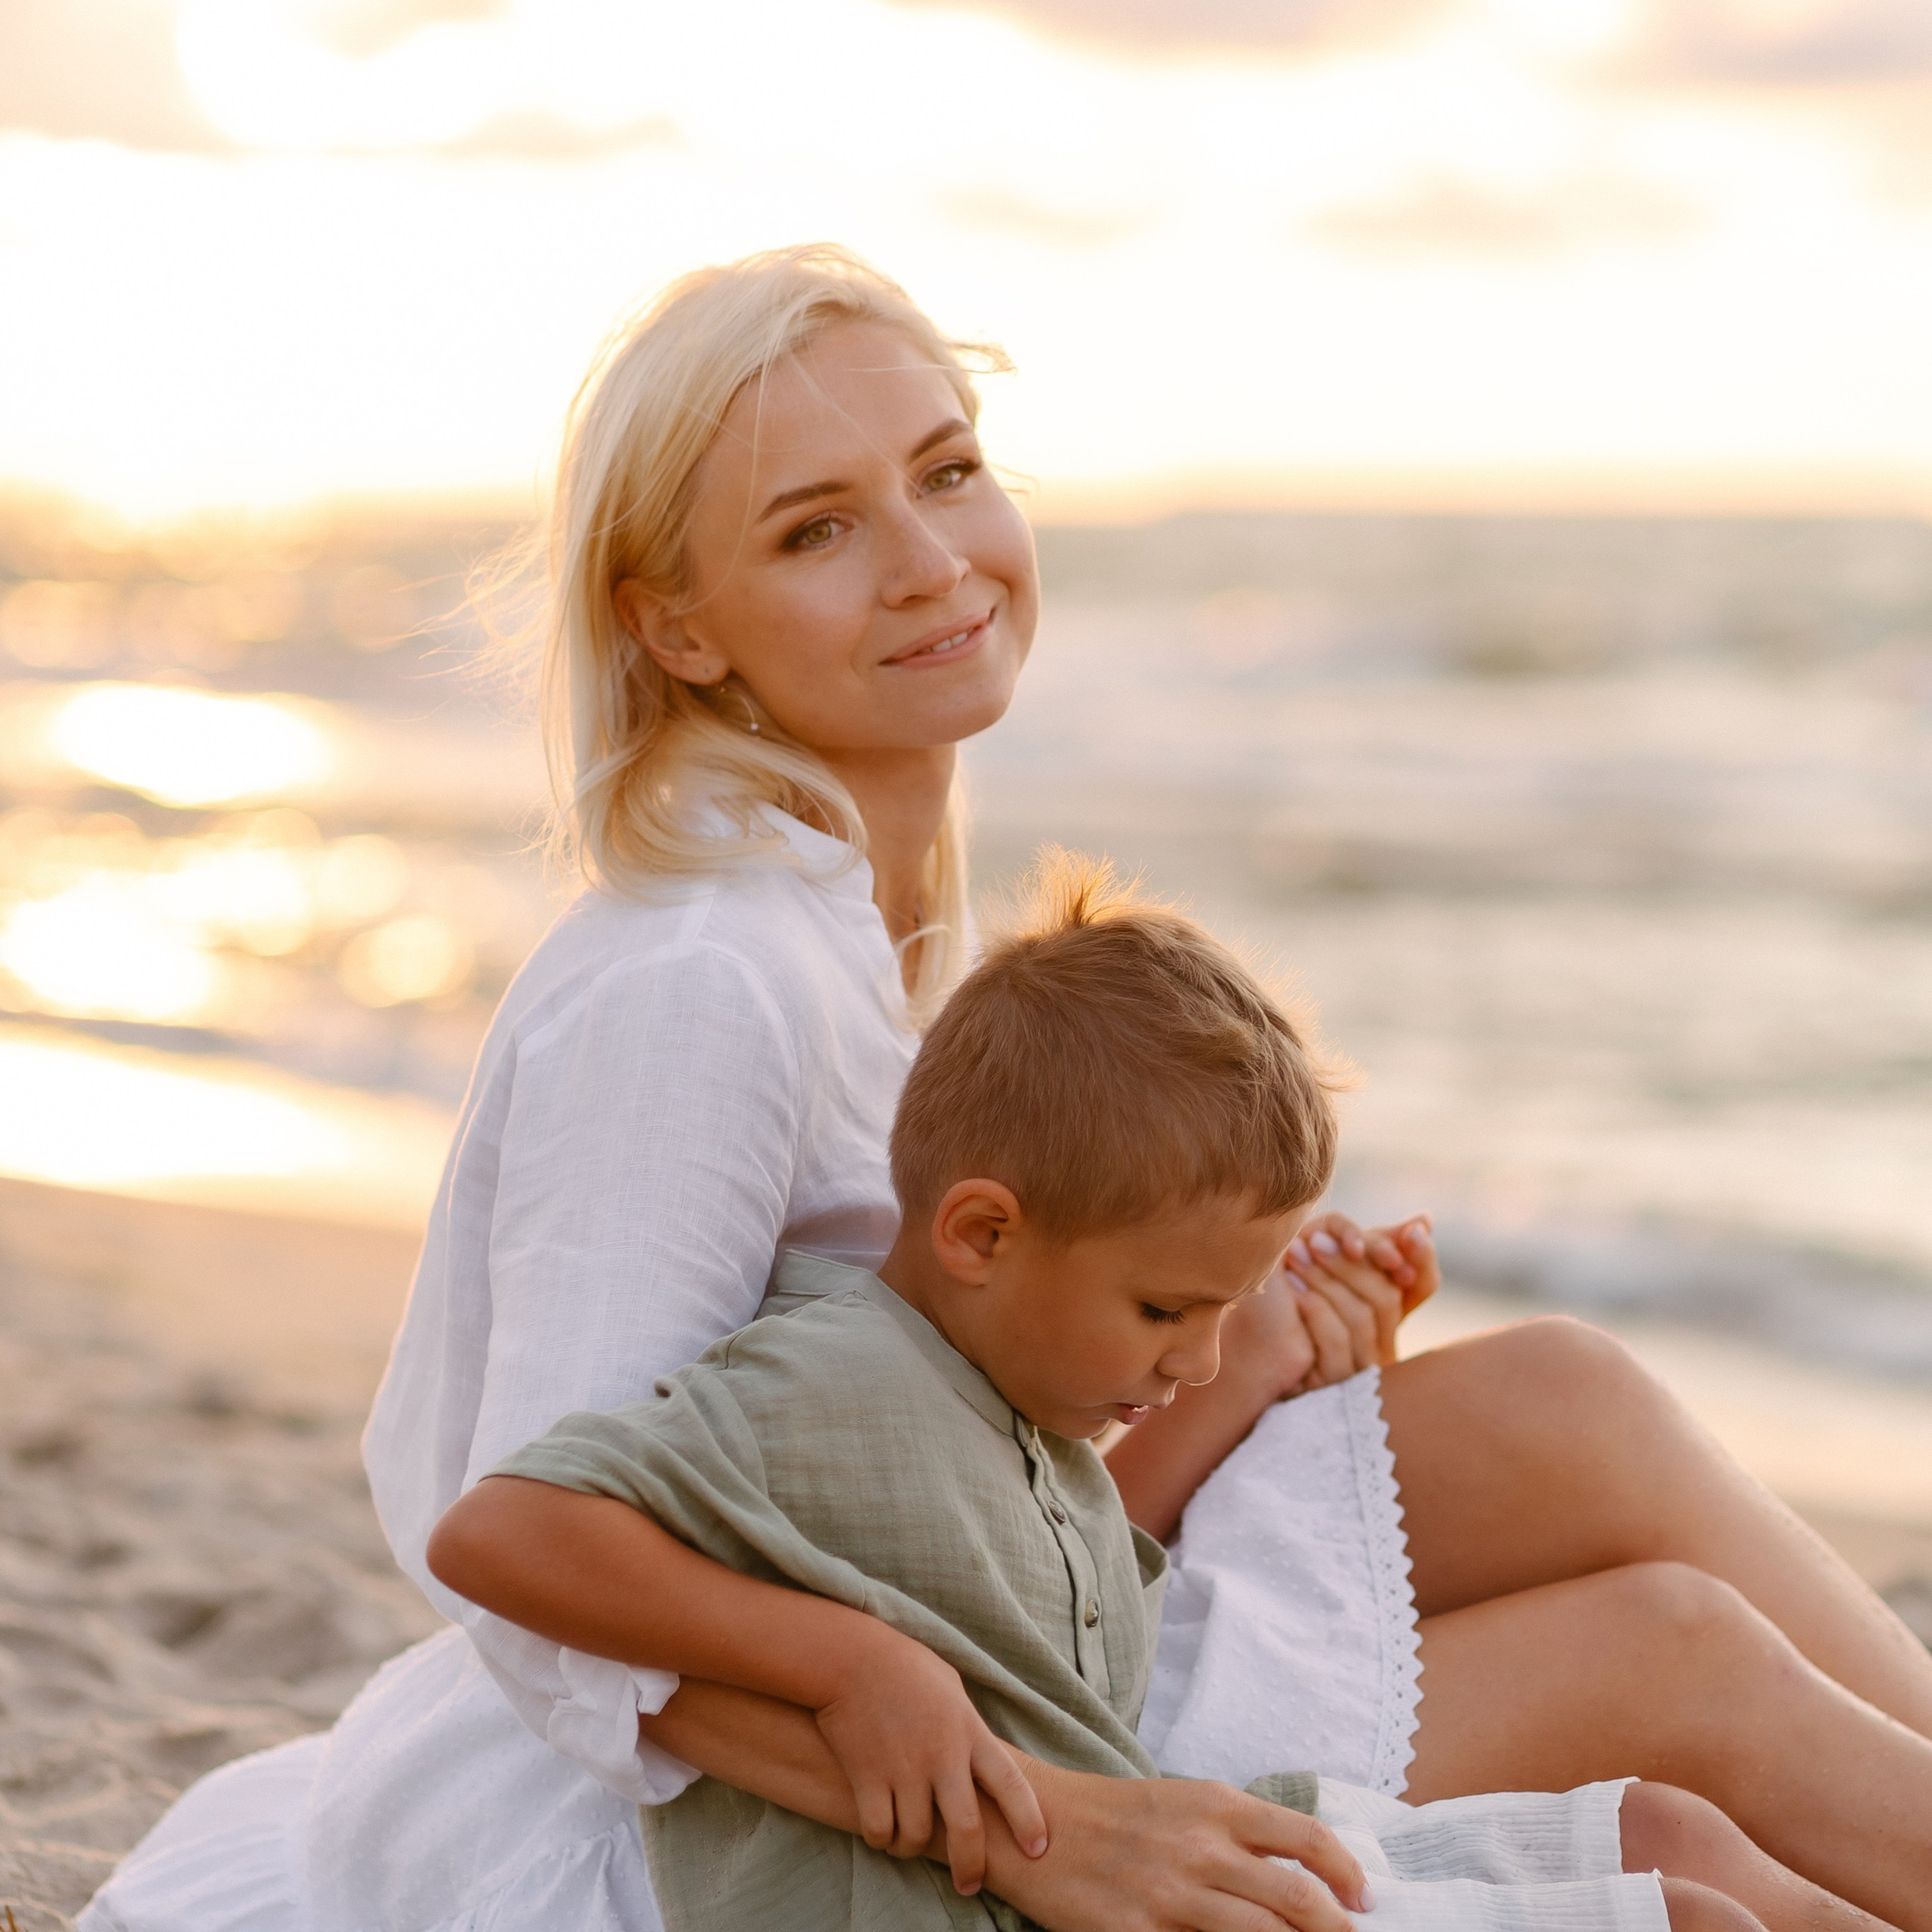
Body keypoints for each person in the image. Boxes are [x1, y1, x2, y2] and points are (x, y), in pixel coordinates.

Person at [81, 244, 1932, 1932]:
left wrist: (1242, 1341)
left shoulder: (885, 926)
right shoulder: (700, 981)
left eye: (946, 469)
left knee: (1566, 1404)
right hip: (754, 1802)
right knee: (1673, 1656)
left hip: (993, 1635)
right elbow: (528, 1566)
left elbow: (943, 1479)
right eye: (816, 529)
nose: (928, 557)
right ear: (678, 625)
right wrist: (1040, 1819)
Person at [427, 866, 1891, 1932]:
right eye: (1164, 1308)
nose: (1185, 1355)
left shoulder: (1022, 1418)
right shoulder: (830, 1375)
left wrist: (1264, 1367)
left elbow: (1069, 1604)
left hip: (1135, 1799)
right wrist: (846, 1663)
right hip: (1037, 1887)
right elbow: (496, 1535)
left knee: (1673, 1831)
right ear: (981, 1233)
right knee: (1693, 1894)